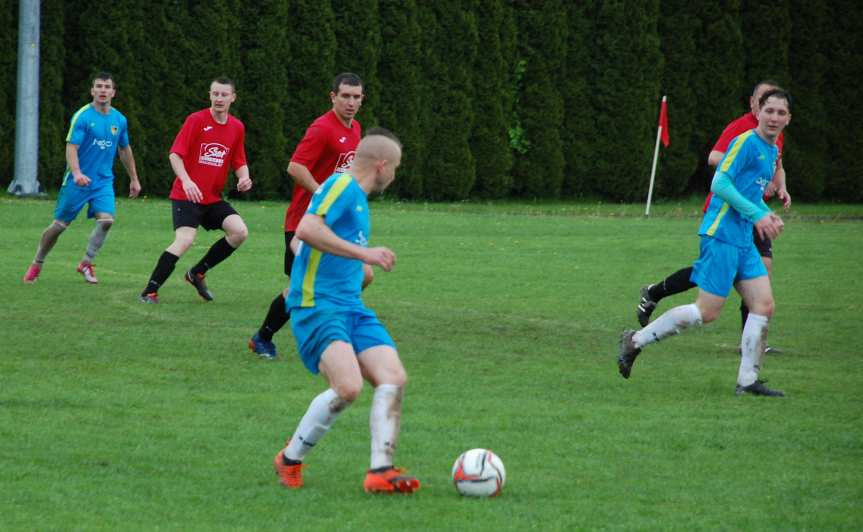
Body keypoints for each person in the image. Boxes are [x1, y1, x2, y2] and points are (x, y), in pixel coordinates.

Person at [273, 128, 420, 493]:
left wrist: (360, 268)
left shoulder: (357, 200)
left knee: (393, 378)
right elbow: (305, 229)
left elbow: (300, 242)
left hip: (351, 308)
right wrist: (363, 254)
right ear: (382, 165)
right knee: (349, 387)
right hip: (317, 307)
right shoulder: (340, 186)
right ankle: (290, 458)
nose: (395, 176)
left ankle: (380, 471)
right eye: (396, 168)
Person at [617, 89, 792, 397]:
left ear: (788, 118)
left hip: (743, 240)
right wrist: (757, 214)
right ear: (758, 112)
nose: (775, 117)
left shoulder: (772, 150)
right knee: (706, 312)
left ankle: (748, 380)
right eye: (770, 111)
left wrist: (766, 214)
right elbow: (720, 183)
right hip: (721, 234)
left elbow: (749, 194)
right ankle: (634, 341)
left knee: (763, 305)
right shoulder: (745, 143)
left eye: (781, 112)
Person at [249, 73, 366, 359]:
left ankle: (330, 327)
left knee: (362, 274)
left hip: (335, 223)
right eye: (345, 96)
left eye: (356, 97)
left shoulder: (355, 128)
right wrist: (321, 194)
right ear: (333, 97)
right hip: (306, 222)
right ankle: (263, 337)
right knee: (300, 289)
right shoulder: (322, 128)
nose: (351, 102)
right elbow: (295, 167)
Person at [139, 77, 252, 303]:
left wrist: (244, 177)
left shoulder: (237, 127)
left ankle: (197, 273)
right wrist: (187, 181)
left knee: (239, 232)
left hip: (211, 198)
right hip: (186, 195)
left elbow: (239, 160)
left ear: (233, 97)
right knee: (185, 239)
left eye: (224, 94)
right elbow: (175, 154)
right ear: (210, 95)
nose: (219, 98)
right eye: (215, 94)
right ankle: (149, 291)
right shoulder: (196, 120)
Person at [23, 72, 140, 284]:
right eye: (99, 86)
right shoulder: (83, 116)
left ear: (113, 92)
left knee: (106, 221)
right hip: (77, 182)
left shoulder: (119, 120)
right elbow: (71, 147)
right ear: (92, 91)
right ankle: (37, 262)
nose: (103, 90)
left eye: (107, 87)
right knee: (59, 226)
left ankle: (86, 262)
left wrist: (134, 178)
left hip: (103, 181)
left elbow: (124, 149)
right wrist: (77, 173)